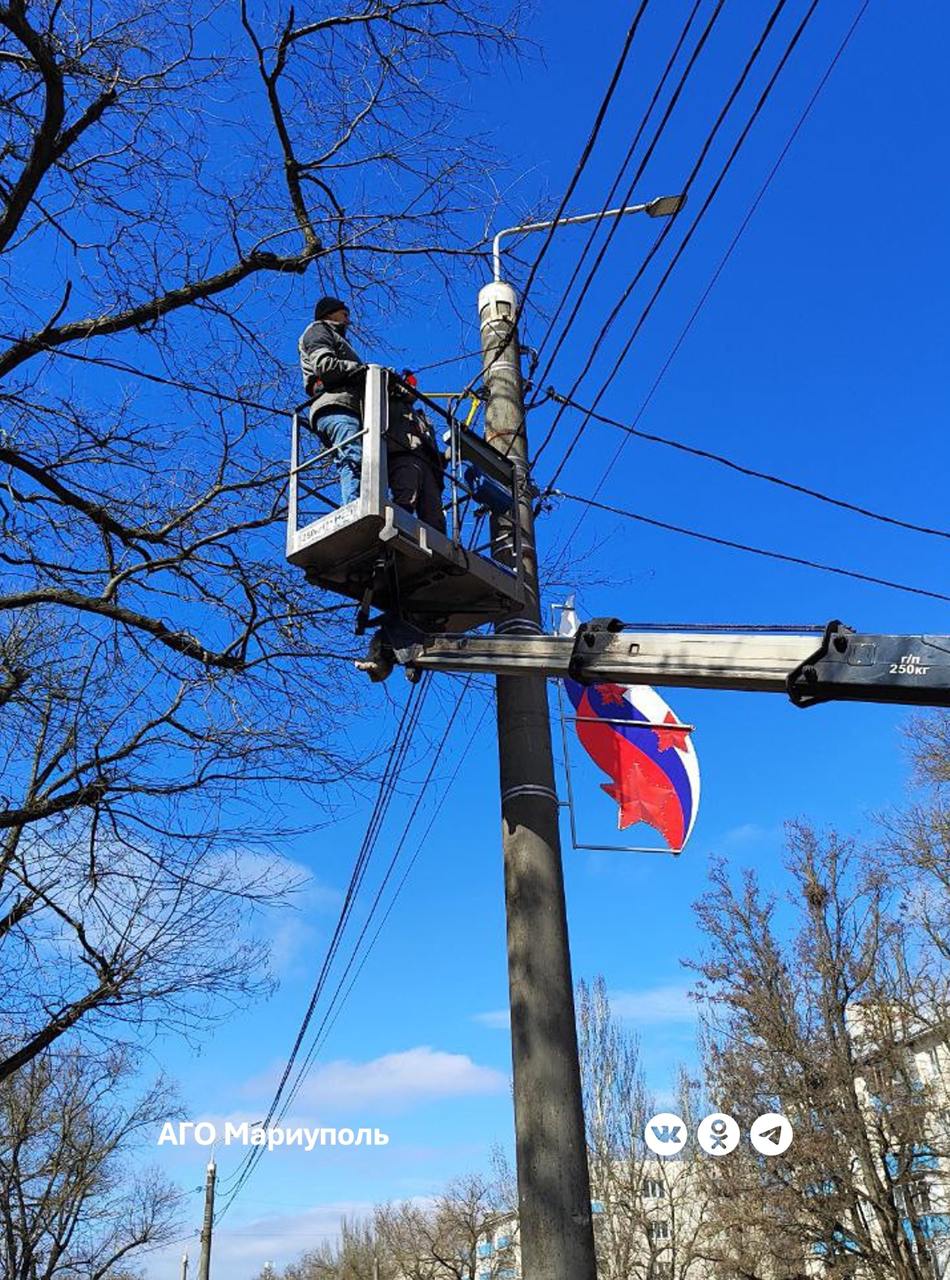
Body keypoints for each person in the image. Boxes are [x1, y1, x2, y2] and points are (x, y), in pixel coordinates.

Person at [298, 296, 365, 505]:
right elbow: (325, 365)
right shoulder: (318, 330)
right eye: (345, 314)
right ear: (330, 313)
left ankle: (360, 502)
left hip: (347, 407)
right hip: (336, 406)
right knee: (353, 456)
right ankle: (355, 507)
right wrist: (361, 370)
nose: (348, 320)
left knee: (360, 458)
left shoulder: (336, 337)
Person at [387, 373, 447, 532]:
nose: (413, 386)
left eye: (414, 383)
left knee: (435, 517)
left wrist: (447, 455)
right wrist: (393, 385)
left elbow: (431, 450)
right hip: (404, 457)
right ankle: (395, 539)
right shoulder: (389, 402)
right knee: (406, 498)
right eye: (409, 382)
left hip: (429, 468)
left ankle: (436, 554)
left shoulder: (421, 418)